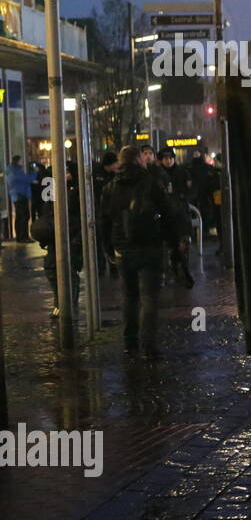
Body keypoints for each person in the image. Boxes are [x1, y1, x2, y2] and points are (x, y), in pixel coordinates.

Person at [102, 145, 177, 359]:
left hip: (123, 249)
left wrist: (109, 248)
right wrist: (171, 242)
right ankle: (149, 346)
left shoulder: (110, 187)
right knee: (150, 298)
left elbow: (104, 221)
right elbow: (168, 213)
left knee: (129, 296)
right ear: (138, 159)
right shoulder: (151, 183)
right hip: (150, 246)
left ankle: (130, 344)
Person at [35, 166, 82, 318]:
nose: (65, 175)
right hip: (55, 235)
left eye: (67, 172)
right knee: (52, 268)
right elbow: (45, 209)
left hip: (71, 235)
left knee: (69, 271)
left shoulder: (76, 190)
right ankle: (60, 302)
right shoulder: (51, 188)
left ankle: (67, 305)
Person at [157, 148, 195, 289]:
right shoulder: (158, 174)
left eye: (171, 158)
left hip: (180, 214)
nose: (168, 160)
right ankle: (176, 271)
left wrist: (183, 199)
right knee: (172, 245)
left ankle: (183, 272)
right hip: (166, 216)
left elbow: (191, 189)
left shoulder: (182, 172)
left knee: (181, 243)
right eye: (165, 158)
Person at [6, 155, 34, 241]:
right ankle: (23, 237)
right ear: (17, 161)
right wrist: (35, 172)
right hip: (20, 196)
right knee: (24, 216)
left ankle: (21, 237)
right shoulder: (15, 171)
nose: (22, 162)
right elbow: (27, 179)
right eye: (21, 160)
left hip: (17, 196)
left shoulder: (11, 170)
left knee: (20, 216)